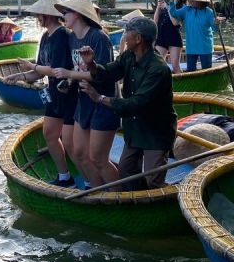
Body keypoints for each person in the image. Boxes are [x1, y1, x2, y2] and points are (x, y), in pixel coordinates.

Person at [54, 17, 175, 190]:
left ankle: (156, 201)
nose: (124, 36)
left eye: (127, 32)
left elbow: (136, 103)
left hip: (155, 132)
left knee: (153, 180)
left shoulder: (158, 69)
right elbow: (109, 72)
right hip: (134, 128)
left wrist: (99, 98)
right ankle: (133, 203)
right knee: (126, 173)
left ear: (138, 38)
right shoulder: (128, 56)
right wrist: (91, 64)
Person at [6, 0, 76, 188]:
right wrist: (20, 76)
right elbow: (40, 68)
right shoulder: (45, 36)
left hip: (68, 93)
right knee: (50, 134)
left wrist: (32, 67)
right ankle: (64, 176)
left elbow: (56, 70)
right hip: (53, 93)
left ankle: (87, 180)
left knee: (70, 143)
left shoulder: (63, 35)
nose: (37, 19)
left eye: (39, 15)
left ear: (48, 15)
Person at [55, 0, 119, 188]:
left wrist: (69, 73)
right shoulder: (72, 37)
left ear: (77, 15)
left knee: (99, 158)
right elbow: (78, 67)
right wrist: (69, 79)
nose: (63, 16)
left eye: (65, 13)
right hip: (83, 99)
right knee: (78, 152)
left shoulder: (99, 38)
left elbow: (102, 75)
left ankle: (118, 195)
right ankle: (97, 189)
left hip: (103, 101)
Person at [166, 0, 216, 72]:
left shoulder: (209, 12)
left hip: (205, 47)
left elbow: (215, 28)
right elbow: (174, 13)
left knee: (206, 70)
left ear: (201, 1)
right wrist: (171, 1)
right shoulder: (186, 9)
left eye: (194, 0)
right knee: (191, 70)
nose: (191, 1)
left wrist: (217, 23)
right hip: (191, 47)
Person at [155, 0, 186, 72]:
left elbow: (175, 23)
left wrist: (168, 8)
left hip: (174, 37)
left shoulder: (182, 7)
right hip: (161, 36)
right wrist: (158, 8)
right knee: (158, 65)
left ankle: (181, 84)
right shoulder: (165, 5)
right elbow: (155, 21)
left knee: (175, 66)